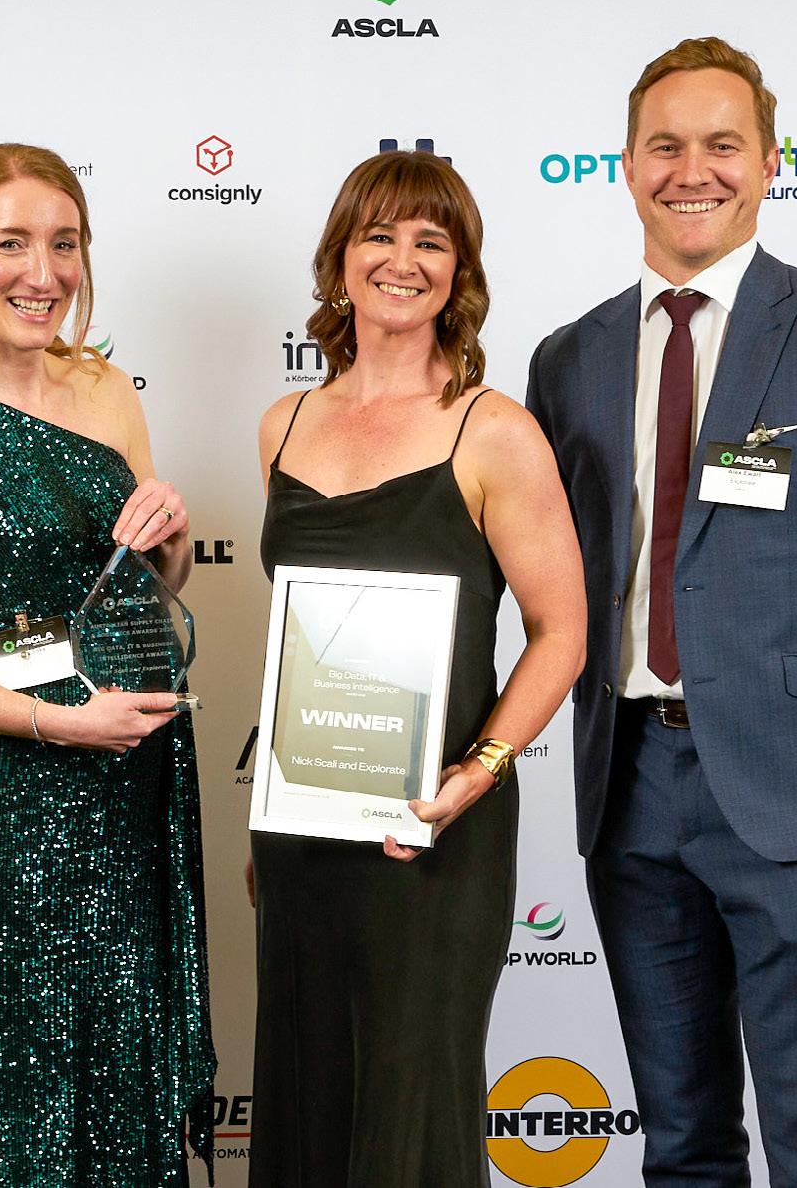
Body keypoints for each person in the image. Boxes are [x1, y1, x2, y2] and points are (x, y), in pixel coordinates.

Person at [525, 37, 797, 1187]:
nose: (693, 170)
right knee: (680, 1147)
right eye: (664, 145)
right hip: (629, 791)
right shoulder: (568, 359)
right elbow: (557, 575)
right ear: (625, 166)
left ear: (772, 163)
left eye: (722, 144)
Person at [0, 143, 215, 1185]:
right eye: (12, 243)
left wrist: (168, 538)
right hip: (9, 798)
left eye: (63, 244)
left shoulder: (105, 388)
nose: (43, 272)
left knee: (123, 1052)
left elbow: (151, 581)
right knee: (20, 1071)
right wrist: (57, 722)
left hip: (132, 772)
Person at [248, 149, 586, 1187]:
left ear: (459, 272)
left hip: (434, 831)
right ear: (340, 259)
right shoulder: (282, 424)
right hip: (303, 831)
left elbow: (561, 630)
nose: (403, 260)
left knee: (411, 1110)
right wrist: (273, 797)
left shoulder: (493, 430)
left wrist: (477, 773)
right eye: (379, 236)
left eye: (430, 242)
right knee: (307, 1096)